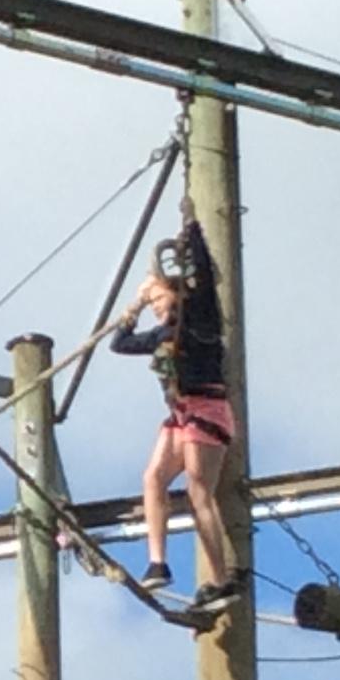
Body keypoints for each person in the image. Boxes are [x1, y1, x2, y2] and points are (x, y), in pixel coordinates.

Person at [108, 206, 247, 605]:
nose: (156, 307)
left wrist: (192, 229)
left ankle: (220, 579)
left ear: (177, 291)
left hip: (207, 411)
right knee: (153, 478)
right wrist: (135, 306)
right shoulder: (161, 335)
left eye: (158, 299)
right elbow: (119, 344)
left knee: (198, 492)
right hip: (182, 416)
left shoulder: (200, 317)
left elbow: (200, 273)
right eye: (152, 303)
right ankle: (158, 564)